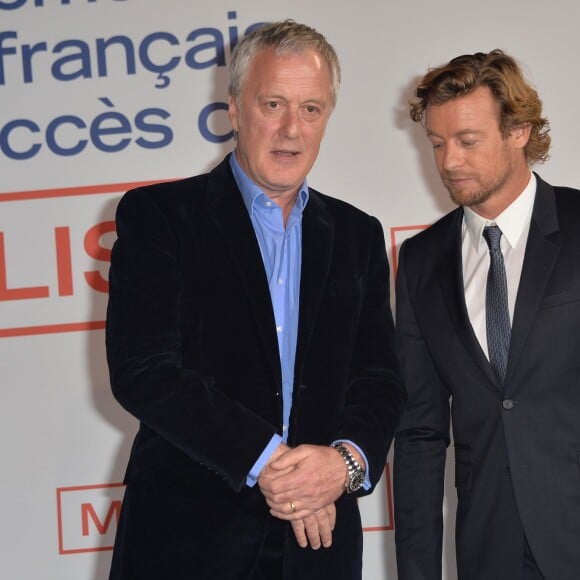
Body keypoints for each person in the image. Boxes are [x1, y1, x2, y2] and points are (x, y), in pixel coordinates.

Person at [106, 19, 404, 580]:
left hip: (319, 543)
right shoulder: (160, 218)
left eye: (311, 109)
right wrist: (272, 462)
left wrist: (342, 465)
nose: (292, 128)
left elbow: (379, 380)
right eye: (273, 104)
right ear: (236, 111)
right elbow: (142, 369)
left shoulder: (358, 234)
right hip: (186, 545)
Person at [393, 48, 580, 580]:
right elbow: (420, 435)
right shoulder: (421, 261)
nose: (449, 160)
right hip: (488, 550)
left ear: (518, 131)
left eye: (467, 141)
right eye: (437, 142)